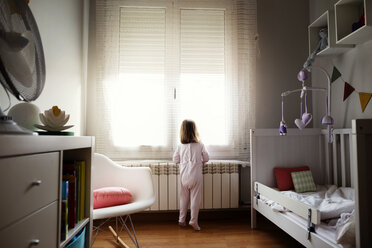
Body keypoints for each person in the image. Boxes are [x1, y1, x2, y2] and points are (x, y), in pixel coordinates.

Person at [173, 119, 209, 231]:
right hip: (196, 175)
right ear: (195, 131)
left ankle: (181, 219)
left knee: (183, 198)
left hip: (184, 176)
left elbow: (175, 160)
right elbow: (207, 158)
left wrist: (183, 162)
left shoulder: (180, 146)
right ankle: (193, 221)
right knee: (195, 199)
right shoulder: (200, 145)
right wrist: (200, 161)